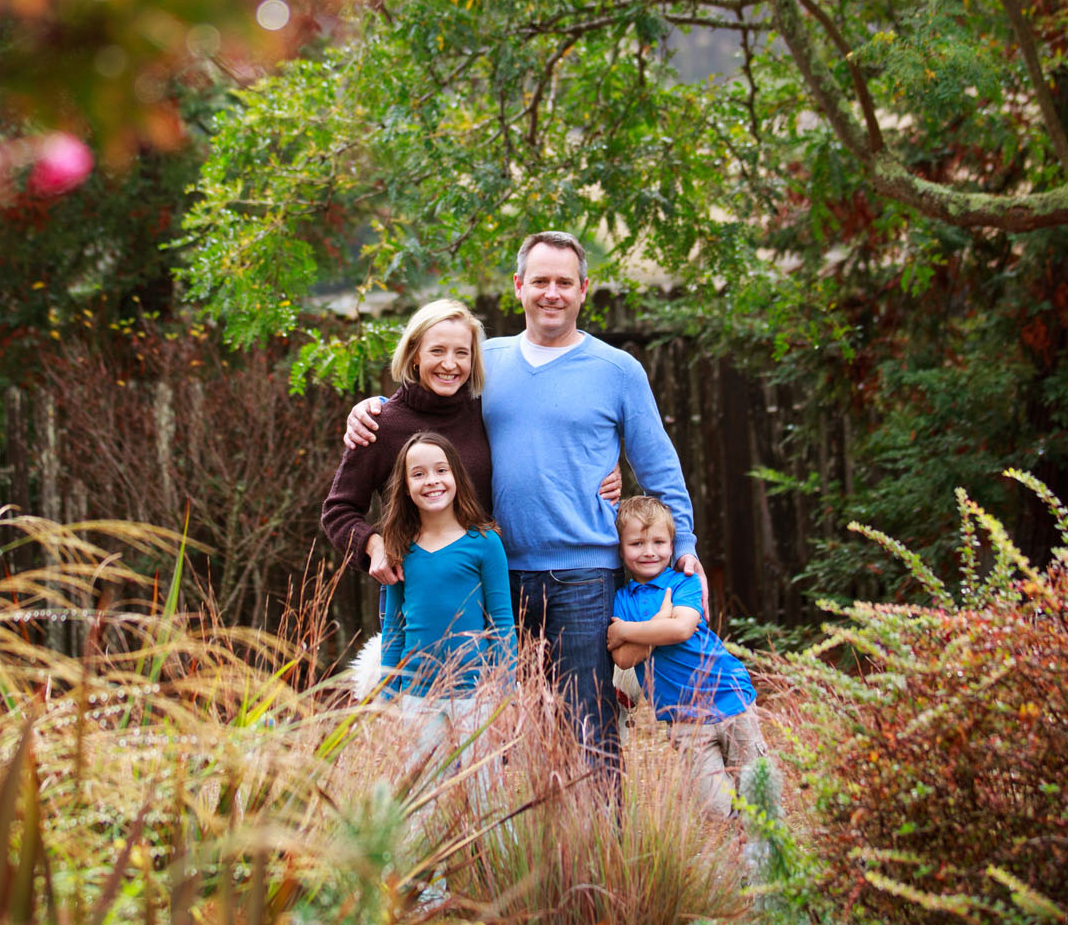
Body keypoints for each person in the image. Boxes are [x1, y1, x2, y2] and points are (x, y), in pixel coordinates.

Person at [346, 231, 704, 778]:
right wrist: (372, 407)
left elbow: (659, 465)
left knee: (587, 723)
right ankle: (519, 855)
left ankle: (596, 854)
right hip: (494, 574)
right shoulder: (485, 363)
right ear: (519, 287)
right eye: (540, 281)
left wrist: (685, 546)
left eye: (565, 282)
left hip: (584, 573)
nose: (552, 293)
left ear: (585, 290)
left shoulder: (618, 370)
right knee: (499, 731)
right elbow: (428, 406)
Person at [323, 296, 621, 584]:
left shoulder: (487, 409)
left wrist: (602, 466)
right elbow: (338, 510)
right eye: (437, 351)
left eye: (461, 353)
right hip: (415, 591)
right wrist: (373, 546)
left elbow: (540, 442)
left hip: (489, 588)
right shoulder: (380, 424)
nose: (450, 364)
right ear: (415, 354)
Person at [605, 496, 761, 817]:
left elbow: (681, 629)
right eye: (636, 543)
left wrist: (630, 631)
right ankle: (736, 855)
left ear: (672, 544)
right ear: (621, 549)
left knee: (758, 800)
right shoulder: (622, 598)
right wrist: (659, 623)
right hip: (684, 721)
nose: (649, 551)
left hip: (731, 701)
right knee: (715, 809)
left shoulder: (682, 582)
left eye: (659, 542)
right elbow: (622, 659)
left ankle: (764, 862)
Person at [374, 431, 515, 770]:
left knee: (485, 795)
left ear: (456, 477)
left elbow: (502, 623)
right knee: (422, 798)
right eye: (418, 474)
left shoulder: (484, 542)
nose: (431, 481)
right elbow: (394, 627)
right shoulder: (401, 547)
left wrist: (504, 694)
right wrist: (387, 695)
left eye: (441, 470)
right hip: (417, 695)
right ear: (406, 487)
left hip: (475, 694)